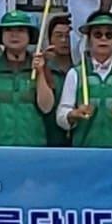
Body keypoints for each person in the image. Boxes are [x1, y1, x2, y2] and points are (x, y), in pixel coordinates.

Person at [59, 11, 112, 148]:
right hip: (85, 151)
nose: (103, 39)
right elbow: (61, 115)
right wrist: (74, 114)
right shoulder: (75, 73)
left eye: (109, 35)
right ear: (89, 39)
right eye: (98, 34)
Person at [0, 11, 53, 147]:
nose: (14, 35)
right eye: (8, 30)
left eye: (21, 30)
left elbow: (46, 107)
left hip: (33, 145)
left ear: (29, 35)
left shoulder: (41, 66)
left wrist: (40, 73)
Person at [42, 13, 74, 146]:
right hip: (48, 135)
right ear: (50, 39)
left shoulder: (81, 70)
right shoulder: (42, 67)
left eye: (68, 36)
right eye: (58, 35)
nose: (64, 40)